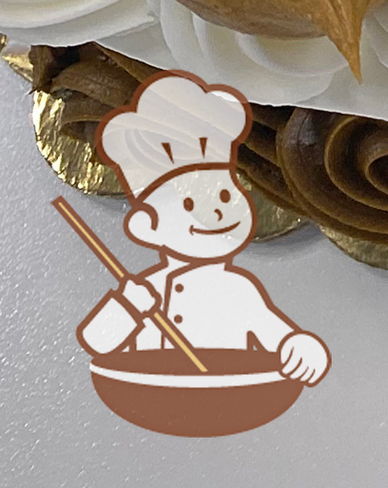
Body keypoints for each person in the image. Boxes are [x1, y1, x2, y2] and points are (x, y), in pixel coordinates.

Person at [75, 71, 330, 384]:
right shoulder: (147, 291)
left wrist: (300, 348)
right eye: (188, 204)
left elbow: (279, 336)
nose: (217, 213)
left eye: (223, 196)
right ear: (147, 228)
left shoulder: (238, 290)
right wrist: (128, 306)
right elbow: (98, 341)